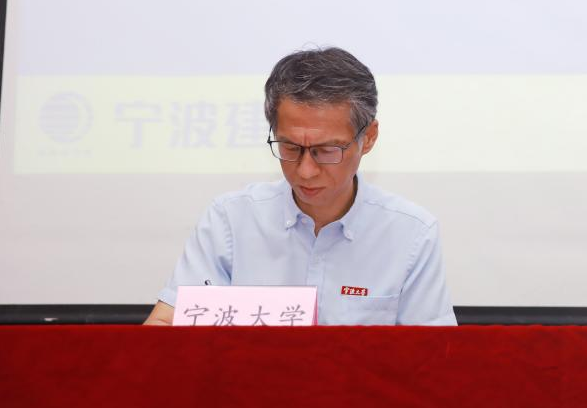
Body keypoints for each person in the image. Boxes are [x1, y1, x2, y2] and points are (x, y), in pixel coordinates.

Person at [144, 47, 456, 326]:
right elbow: (165, 325)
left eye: (326, 150)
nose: (305, 172)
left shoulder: (411, 233)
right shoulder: (231, 219)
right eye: (290, 147)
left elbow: (432, 356)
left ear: (369, 137)